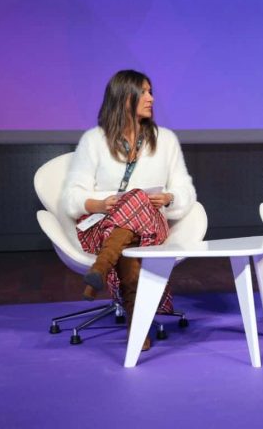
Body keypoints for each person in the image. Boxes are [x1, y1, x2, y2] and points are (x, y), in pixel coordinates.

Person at [61, 70, 196, 350]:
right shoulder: (93, 140)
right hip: (103, 224)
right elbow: (71, 196)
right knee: (128, 221)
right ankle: (137, 328)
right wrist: (99, 204)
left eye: (150, 91)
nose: (151, 98)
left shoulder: (166, 140)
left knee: (137, 199)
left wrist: (169, 198)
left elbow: (187, 191)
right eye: (144, 92)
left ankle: (101, 268)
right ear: (124, 99)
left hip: (151, 227)